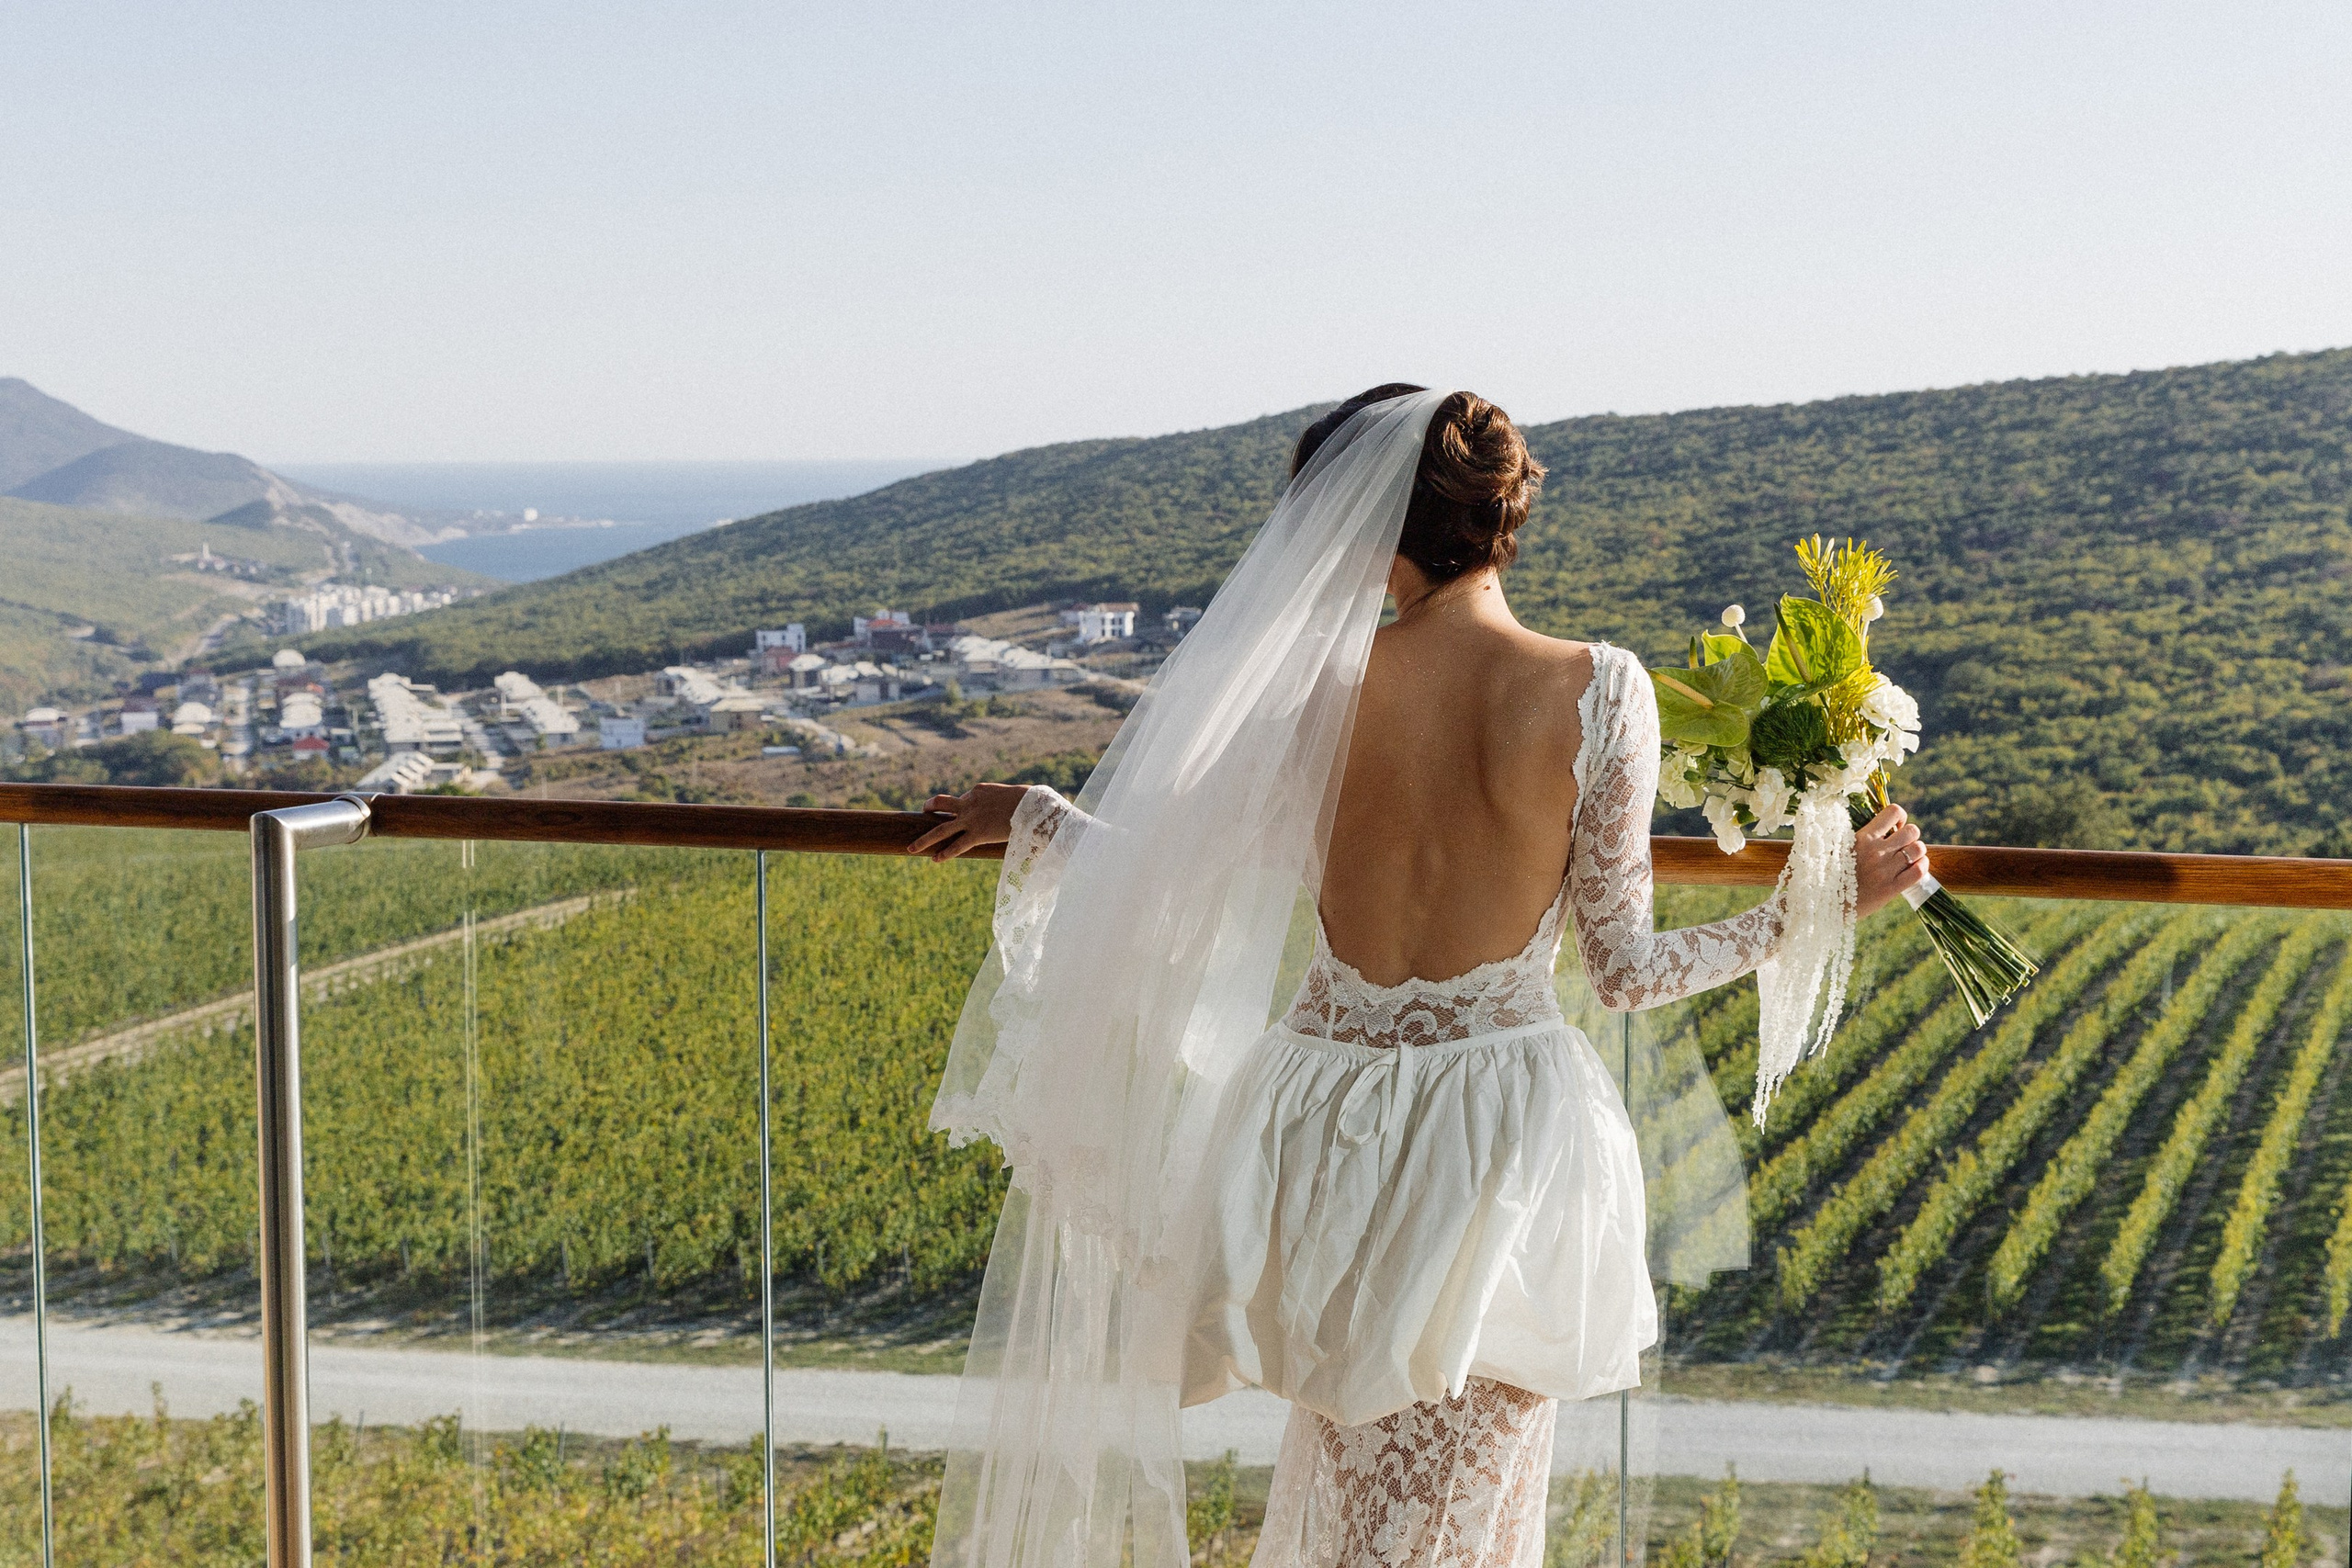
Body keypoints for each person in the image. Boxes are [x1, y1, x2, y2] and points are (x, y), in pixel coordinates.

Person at [910, 386, 1930, 1568]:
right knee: (1453, 1523)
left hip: (1318, 1125)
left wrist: (1032, 817)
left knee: (1359, 1505)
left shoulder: (1314, 697)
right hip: (1489, 1142)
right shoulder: (1598, 689)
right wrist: (1810, 908)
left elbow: (1174, 876)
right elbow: (1627, 971)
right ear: (1504, 513)